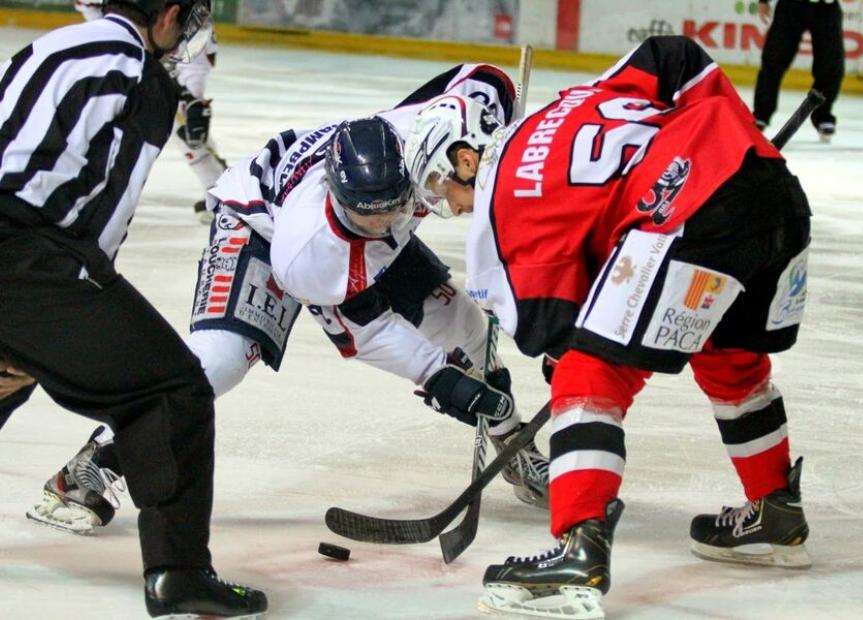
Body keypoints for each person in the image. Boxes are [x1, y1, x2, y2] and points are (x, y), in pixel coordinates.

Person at [26, 63, 550, 535]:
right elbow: (361, 329)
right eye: (467, 192)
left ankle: (513, 445)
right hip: (263, 226)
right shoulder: (311, 250)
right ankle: (96, 463)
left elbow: (485, 78)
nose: (464, 205)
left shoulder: (430, 140)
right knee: (219, 362)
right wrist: (438, 377)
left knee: (468, 329)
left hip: (366, 222)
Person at [405, 35, 813, 618]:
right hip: (774, 189)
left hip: (687, 216)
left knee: (585, 376)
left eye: (445, 191)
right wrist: (731, 135)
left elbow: (545, 325)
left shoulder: (496, 208)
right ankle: (774, 509)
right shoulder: (567, 103)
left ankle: (578, 549)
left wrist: (563, 347)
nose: (455, 208)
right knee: (729, 357)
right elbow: (673, 54)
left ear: (465, 159)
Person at [0, 1, 267, 617]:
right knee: (172, 390)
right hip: (27, 256)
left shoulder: (55, 45)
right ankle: (179, 573)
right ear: (169, 14)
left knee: (9, 377)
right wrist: (68, 302)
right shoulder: (139, 73)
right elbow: (103, 215)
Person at [75, 0, 228, 222]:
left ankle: (220, 186)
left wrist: (189, 94)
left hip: (170, 42)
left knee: (188, 126)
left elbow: (196, 29)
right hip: (125, 42)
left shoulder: (189, 17)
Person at [753, 0, 844, 141]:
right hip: (791, 6)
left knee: (831, 64)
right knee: (774, 59)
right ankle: (761, 115)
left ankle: (823, 114)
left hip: (827, 6)